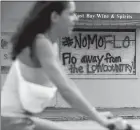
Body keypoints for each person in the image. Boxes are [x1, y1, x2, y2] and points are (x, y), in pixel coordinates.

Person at [1, 1, 133, 130]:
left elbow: (68, 84)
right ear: (54, 17)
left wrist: (96, 114)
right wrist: (100, 120)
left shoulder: (51, 45)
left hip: (18, 120)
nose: (76, 18)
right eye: (71, 13)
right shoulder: (41, 43)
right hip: (11, 121)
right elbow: (65, 90)